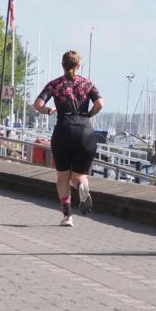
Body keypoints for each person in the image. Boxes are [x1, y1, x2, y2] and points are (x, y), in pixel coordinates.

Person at [33, 50, 104, 227]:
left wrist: (48, 111)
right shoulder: (87, 84)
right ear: (79, 66)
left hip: (64, 130)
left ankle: (67, 216)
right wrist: (88, 114)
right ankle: (81, 184)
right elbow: (100, 103)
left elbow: (38, 104)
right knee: (79, 175)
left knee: (63, 177)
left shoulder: (55, 85)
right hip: (85, 132)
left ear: (62, 65)